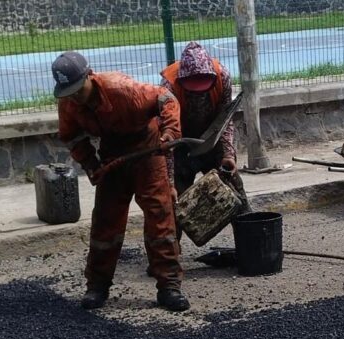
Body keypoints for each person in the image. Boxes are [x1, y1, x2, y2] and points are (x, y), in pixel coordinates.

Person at [52, 51, 190, 311]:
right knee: (106, 221)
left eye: (77, 89)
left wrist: (170, 131)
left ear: (90, 76)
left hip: (146, 149)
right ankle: (97, 286)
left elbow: (167, 98)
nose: (74, 96)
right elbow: (71, 137)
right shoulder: (68, 103)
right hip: (112, 154)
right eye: (68, 92)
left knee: (160, 218)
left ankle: (169, 287)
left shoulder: (124, 89)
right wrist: (91, 164)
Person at [160, 41, 252, 239]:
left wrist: (228, 154)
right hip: (180, 146)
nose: (198, 93)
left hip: (212, 139)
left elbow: (225, 118)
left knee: (235, 188)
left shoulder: (222, 76)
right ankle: (169, 260)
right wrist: (169, 181)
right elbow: (166, 136)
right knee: (173, 203)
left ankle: (250, 242)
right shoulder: (169, 86)